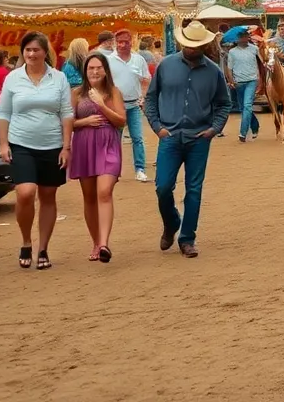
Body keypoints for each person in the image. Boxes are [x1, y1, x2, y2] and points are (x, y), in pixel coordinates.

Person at [144, 22, 232, 259]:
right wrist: (157, 127)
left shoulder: (213, 71)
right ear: (183, 42)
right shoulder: (166, 65)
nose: (193, 49)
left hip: (198, 138)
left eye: (198, 46)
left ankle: (187, 238)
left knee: (194, 189)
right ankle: (172, 222)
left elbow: (224, 103)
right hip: (170, 136)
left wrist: (214, 129)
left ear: (204, 44)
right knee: (163, 186)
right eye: (189, 45)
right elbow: (151, 98)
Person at [0, 31, 75, 271]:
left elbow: (66, 113)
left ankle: (43, 248)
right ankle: (26, 241)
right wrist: (3, 143)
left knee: (48, 196)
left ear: (45, 52)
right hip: (21, 143)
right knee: (26, 192)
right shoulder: (13, 78)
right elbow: (3, 112)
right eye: (27, 50)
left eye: (36, 50)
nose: (31, 54)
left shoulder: (59, 78)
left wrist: (66, 146)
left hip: (52, 145)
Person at [69, 51, 126, 263]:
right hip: (84, 146)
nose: (94, 71)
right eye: (90, 68)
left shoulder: (113, 92)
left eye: (98, 68)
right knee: (89, 196)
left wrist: (102, 105)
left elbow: (121, 121)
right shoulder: (76, 93)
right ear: (85, 71)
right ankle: (95, 241)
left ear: (105, 70)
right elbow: (67, 122)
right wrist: (84, 122)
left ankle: (104, 243)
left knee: (104, 191)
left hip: (108, 144)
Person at [107, 29, 151, 182]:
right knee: (115, 139)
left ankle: (140, 169)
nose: (123, 45)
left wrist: (143, 97)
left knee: (137, 138)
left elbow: (146, 79)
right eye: (120, 42)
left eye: (126, 41)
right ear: (115, 42)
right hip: (116, 105)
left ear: (131, 42)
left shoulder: (138, 60)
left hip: (133, 104)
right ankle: (114, 169)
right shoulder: (108, 60)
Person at [225, 28, 261, 143]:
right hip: (238, 82)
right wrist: (231, 81)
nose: (245, 39)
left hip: (252, 80)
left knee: (246, 105)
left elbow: (261, 62)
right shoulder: (232, 52)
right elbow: (229, 68)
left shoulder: (255, 49)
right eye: (242, 37)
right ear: (237, 39)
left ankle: (243, 133)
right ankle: (255, 125)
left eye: (246, 36)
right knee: (244, 108)